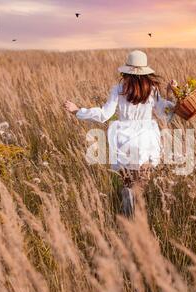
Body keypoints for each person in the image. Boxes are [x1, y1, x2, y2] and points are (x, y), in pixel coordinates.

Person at [64, 50, 175, 216]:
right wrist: (170, 94)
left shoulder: (119, 89)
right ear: (145, 71)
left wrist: (78, 111)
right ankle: (137, 218)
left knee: (128, 183)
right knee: (141, 184)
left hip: (124, 139)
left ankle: (127, 215)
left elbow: (104, 114)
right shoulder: (152, 90)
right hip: (146, 140)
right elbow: (165, 114)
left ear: (126, 71)